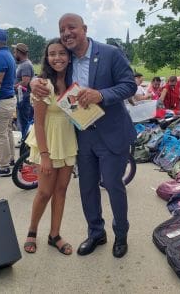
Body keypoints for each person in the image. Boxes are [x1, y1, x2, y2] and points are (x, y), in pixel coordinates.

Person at [31, 13, 136, 258]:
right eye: (62, 28)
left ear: (84, 28)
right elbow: (48, 76)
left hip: (111, 133)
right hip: (82, 135)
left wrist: (101, 95)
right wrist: (32, 83)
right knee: (87, 188)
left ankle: (121, 234)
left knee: (112, 184)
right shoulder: (66, 61)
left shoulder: (109, 53)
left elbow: (129, 84)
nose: (67, 32)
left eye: (72, 27)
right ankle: (96, 233)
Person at [23, 38, 78, 255]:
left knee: (61, 190)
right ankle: (32, 231)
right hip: (47, 142)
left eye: (62, 53)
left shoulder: (75, 82)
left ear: (69, 56)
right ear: (47, 58)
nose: (57, 58)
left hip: (67, 141)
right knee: (44, 192)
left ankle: (54, 235)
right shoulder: (43, 85)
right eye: (52, 54)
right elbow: (38, 122)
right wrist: (45, 156)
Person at [0, 29, 17, 177]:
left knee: (0, 134)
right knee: (7, 131)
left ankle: (4, 166)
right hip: (9, 99)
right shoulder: (8, 55)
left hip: (2, 100)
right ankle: (11, 158)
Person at [13, 42, 34, 139]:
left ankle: (24, 141)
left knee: (24, 120)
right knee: (22, 120)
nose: (14, 54)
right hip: (22, 98)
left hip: (24, 98)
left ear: (18, 52)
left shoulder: (25, 65)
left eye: (15, 52)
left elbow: (25, 82)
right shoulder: (23, 64)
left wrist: (13, 87)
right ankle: (23, 139)